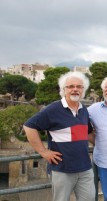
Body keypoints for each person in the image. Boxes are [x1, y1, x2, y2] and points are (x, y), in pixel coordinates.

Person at [23, 71, 95, 201]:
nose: (75, 89)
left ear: (83, 90)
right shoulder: (53, 109)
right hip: (62, 169)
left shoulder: (84, 109)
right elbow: (29, 127)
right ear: (64, 89)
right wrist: (43, 151)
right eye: (71, 86)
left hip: (85, 168)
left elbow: (88, 133)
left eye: (79, 87)